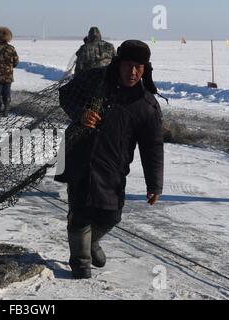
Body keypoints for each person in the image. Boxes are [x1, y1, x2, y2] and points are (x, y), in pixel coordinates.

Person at [56, 40, 164, 279]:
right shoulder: (94, 80)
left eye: (139, 67)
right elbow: (66, 95)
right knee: (80, 212)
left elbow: (152, 147)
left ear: (146, 69)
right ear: (118, 64)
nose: (133, 72)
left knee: (111, 215)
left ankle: (91, 243)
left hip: (113, 168)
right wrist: (80, 113)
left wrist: (154, 184)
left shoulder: (146, 105)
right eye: (128, 65)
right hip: (79, 157)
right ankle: (80, 261)